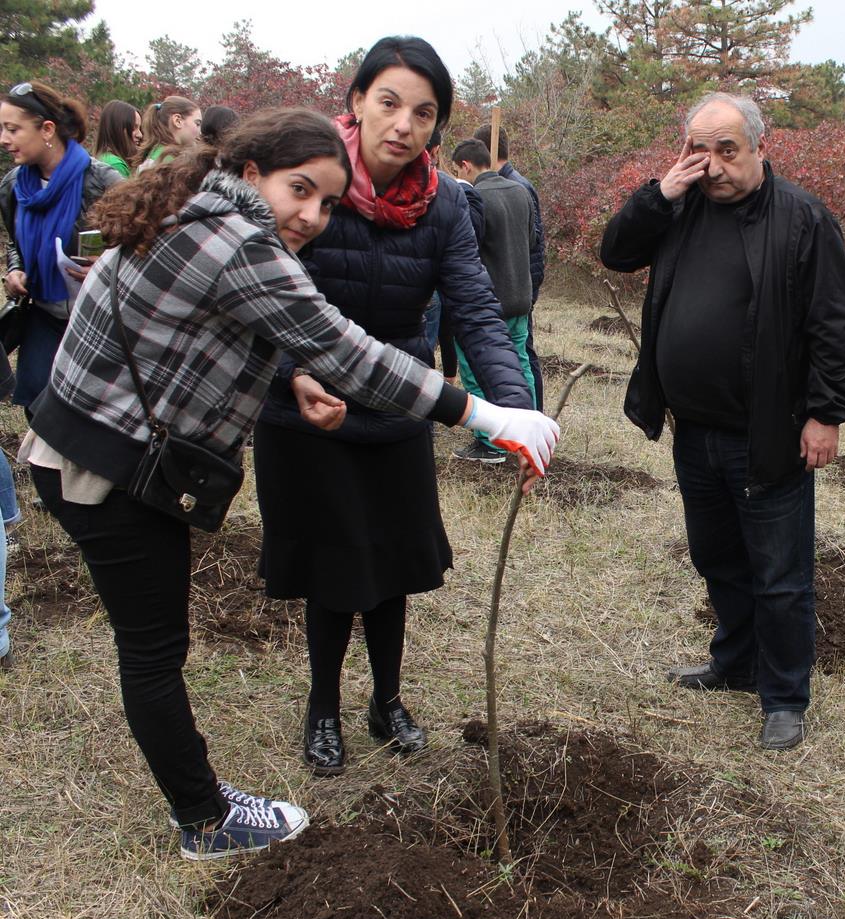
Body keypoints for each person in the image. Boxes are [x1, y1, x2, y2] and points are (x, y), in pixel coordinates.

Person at [17, 107, 556, 861]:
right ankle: (205, 820)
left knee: (154, 646)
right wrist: (484, 413)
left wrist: (293, 375)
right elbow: (345, 348)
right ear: (250, 173)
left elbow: (218, 328)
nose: (312, 215)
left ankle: (203, 803)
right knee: (153, 651)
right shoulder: (239, 240)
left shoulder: (193, 208)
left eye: (328, 202)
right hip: (105, 466)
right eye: (299, 189)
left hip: (80, 444)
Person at [254, 37, 538, 778]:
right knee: (333, 569)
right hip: (309, 411)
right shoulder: (309, 184)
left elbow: (476, 312)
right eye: (389, 102)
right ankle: (322, 707)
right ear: (356, 101)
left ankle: (386, 699)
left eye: (424, 112)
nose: (404, 124)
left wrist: (517, 412)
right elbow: (254, 299)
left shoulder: (446, 204)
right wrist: (290, 373)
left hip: (399, 404)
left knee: (392, 563)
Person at [601, 92, 845, 751]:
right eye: (701, 150)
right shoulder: (679, 205)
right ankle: (736, 662)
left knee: (779, 574)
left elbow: (837, 325)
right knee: (716, 556)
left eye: (728, 150)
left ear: (759, 147)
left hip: (767, 431)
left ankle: (784, 696)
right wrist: (659, 192)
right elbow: (615, 252)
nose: (714, 165)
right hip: (693, 428)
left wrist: (826, 414)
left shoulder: (802, 217)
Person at [1, 81, 122, 409]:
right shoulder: (13, 186)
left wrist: (107, 265)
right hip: (43, 314)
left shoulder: (103, 182)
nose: (3, 139)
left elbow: (144, 246)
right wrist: (16, 269)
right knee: (36, 401)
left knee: (88, 409)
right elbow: (15, 243)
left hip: (97, 317)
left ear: (47, 129)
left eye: (13, 129)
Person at [448, 137, 538, 463]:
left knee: (477, 368)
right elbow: (531, 240)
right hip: (521, 297)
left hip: (488, 303)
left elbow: (466, 249)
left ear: (465, 166)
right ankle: (529, 427)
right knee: (520, 363)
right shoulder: (521, 191)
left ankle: (489, 443)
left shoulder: (474, 198)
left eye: (456, 170)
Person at [474, 123, 546, 408]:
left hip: (517, 289)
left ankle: (534, 413)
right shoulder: (511, 184)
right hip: (518, 288)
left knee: (523, 355)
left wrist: (528, 290)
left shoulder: (518, 187)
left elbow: (534, 243)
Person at [137, 95, 200, 169]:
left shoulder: (156, 152)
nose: (200, 132)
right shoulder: (169, 160)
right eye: (197, 124)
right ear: (178, 121)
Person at [94, 100, 143, 177]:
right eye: (134, 128)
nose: (140, 135)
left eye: (140, 128)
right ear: (117, 128)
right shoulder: (115, 165)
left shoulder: (104, 159)